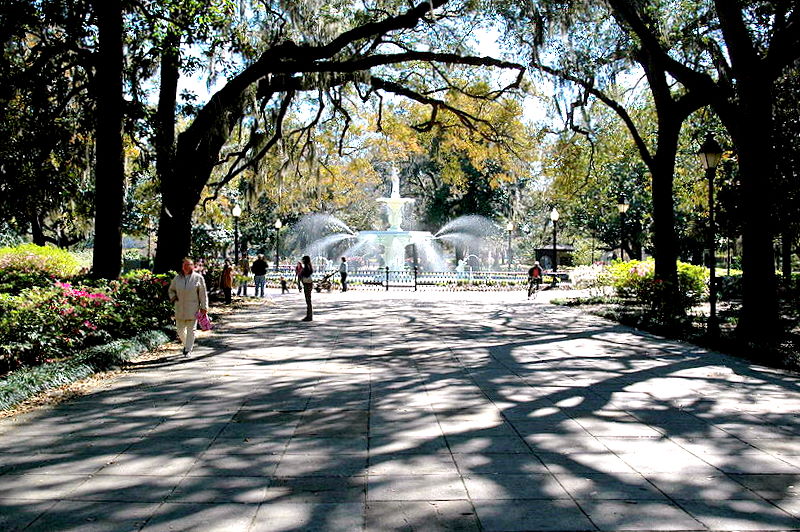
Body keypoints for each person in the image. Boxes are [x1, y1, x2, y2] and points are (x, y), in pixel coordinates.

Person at [168, 257, 209, 356]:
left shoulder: (198, 278)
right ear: (182, 266)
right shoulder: (177, 278)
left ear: (193, 266)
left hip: (193, 309)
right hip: (179, 308)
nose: (186, 267)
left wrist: (204, 307)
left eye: (189, 265)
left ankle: (188, 350)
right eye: (185, 265)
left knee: (191, 331)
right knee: (180, 330)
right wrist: (173, 297)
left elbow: (203, 294)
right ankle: (187, 345)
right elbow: (171, 290)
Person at [300, 255, 314, 321]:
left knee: (308, 300)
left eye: (303, 259)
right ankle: (309, 315)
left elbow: (306, 274)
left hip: (307, 284)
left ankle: (309, 316)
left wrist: (301, 273)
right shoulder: (309, 265)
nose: (302, 261)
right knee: (308, 300)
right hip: (309, 283)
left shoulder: (306, 267)